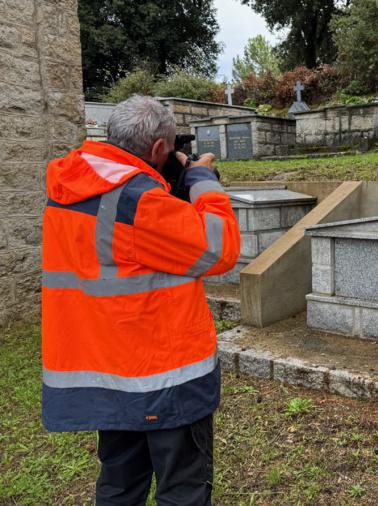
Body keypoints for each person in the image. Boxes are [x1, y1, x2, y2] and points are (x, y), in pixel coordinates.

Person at [41, 95, 240, 504]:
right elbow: (219, 248)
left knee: (119, 487)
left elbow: (129, 258)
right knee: (182, 489)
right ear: (156, 150)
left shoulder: (70, 185)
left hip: (109, 373)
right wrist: (202, 179)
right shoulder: (136, 202)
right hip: (164, 378)